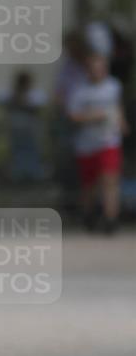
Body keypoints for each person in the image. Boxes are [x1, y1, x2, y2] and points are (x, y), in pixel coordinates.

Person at [66, 51, 128, 233]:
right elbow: (72, 116)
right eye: (94, 69)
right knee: (90, 187)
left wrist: (122, 121)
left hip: (109, 140)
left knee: (110, 180)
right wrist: (93, 116)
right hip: (87, 144)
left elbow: (117, 106)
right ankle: (89, 215)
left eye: (101, 68)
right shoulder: (79, 91)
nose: (98, 72)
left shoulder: (113, 86)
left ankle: (111, 219)